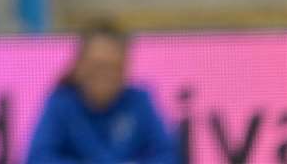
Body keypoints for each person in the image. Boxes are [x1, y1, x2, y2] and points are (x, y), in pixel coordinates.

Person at [27, 23, 179, 164]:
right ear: (79, 65)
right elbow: (38, 158)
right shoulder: (60, 103)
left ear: (124, 68)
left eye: (112, 67)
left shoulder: (140, 101)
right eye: (97, 66)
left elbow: (167, 156)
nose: (104, 76)